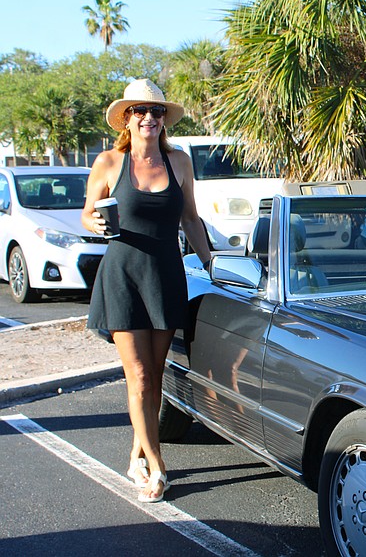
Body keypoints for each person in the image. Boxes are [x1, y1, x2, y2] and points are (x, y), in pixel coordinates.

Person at [82, 79, 211, 503]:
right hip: (122, 276)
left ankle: (137, 451)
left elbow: (190, 219)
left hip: (165, 276)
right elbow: (87, 214)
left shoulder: (179, 162)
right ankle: (156, 468)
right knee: (137, 375)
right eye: (140, 111)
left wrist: (213, 265)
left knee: (155, 375)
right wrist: (95, 224)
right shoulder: (108, 162)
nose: (149, 118)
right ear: (127, 118)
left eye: (156, 112)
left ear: (163, 120)